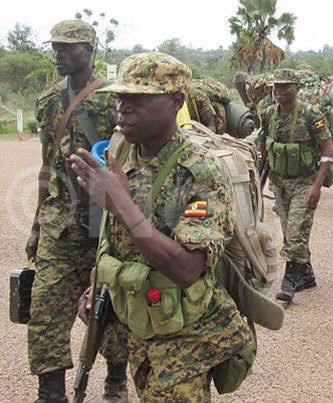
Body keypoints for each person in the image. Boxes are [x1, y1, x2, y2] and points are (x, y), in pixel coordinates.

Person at [73, 52, 256, 401]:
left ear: (176, 102)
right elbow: (120, 243)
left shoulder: (199, 171)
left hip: (184, 342)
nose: (123, 108)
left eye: (138, 99)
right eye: (120, 97)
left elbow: (187, 268)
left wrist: (121, 203)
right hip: (140, 329)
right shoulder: (125, 156)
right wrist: (100, 284)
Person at [25, 19, 128, 403]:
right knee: (45, 310)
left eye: (68, 47)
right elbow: (47, 165)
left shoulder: (114, 100)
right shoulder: (49, 101)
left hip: (106, 224)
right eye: (55, 47)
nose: (59, 54)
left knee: (111, 308)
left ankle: (115, 382)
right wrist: (37, 226)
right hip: (59, 225)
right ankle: (50, 393)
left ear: (90, 49)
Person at [257, 68, 333, 304]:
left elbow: (328, 149)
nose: (279, 91)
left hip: (304, 182)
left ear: (296, 88)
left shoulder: (311, 114)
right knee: (291, 232)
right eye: (276, 86)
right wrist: (258, 181)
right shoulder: (268, 114)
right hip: (279, 183)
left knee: (295, 232)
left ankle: (289, 281)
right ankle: (306, 274)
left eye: (285, 86)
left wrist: (317, 186)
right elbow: (264, 148)